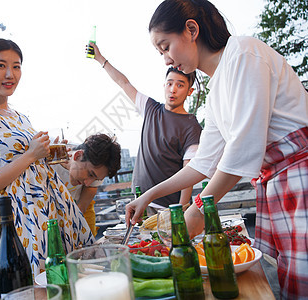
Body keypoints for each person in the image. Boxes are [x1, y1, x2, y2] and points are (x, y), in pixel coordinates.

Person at [125, 1, 308, 298]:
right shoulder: (216, 91)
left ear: (191, 30)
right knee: (293, 279)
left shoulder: (244, 53)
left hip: (300, 178)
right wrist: (149, 195)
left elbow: (243, 148)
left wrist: (198, 209)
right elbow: (203, 164)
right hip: (280, 183)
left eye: (165, 46)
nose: (166, 60)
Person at [0, 38, 94, 279]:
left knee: (66, 283)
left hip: (47, 211)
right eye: (0, 65)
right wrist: (31, 154)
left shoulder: (19, 115)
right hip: (18, 220)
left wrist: (50, 153)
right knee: (36, 286)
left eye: (16, 66)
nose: (10, 74)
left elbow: (30, 164)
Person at [89, 43, 202, 211]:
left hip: (169, 208)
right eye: (170, 83)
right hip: (140, 200)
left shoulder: (191, 126)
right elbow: (124, 83)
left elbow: (189, 170)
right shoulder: (151, 108)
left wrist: (182, 209)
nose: (173, 90)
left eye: (180, 85)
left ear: (189, 91)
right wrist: (100, 59)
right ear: (164, 85)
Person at [52, 133, 122, 236]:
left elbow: (81, 209)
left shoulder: (98, 169)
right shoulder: (52, 153)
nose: (88, 183)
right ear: (78, 155)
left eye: (96, 179)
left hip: (77, 212)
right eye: (90, 174)